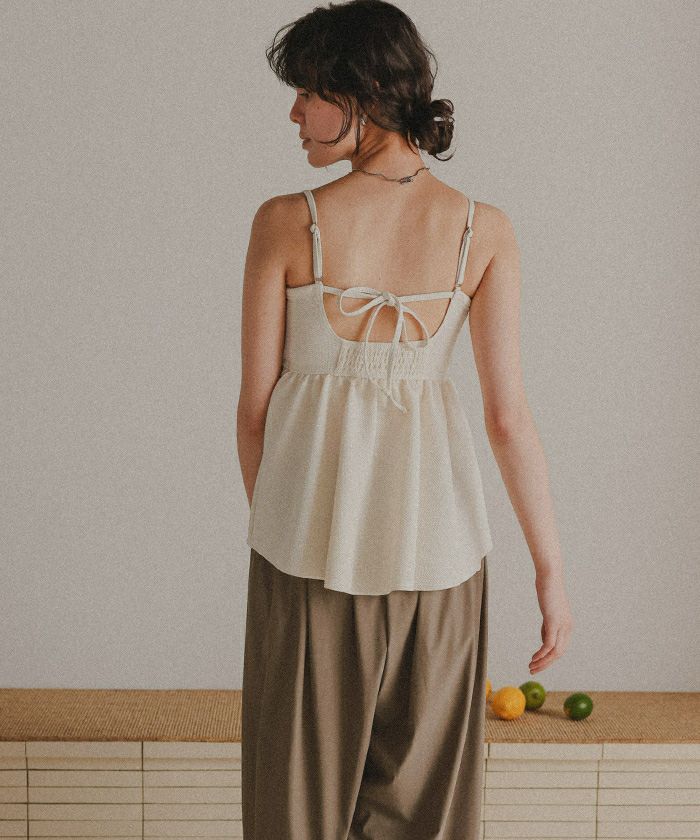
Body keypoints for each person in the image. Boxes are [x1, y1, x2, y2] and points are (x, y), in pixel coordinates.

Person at [236, 1, 574, 837]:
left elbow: (255, 411)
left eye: (309, 92)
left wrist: (286, 525)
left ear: (363, 95)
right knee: (424, 813)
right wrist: (549, 570)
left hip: (307, 559)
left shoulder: (285, 222)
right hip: (443, 563)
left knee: (293, 809)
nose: (293, 113)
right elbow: (508, 417)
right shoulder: (484, 230)